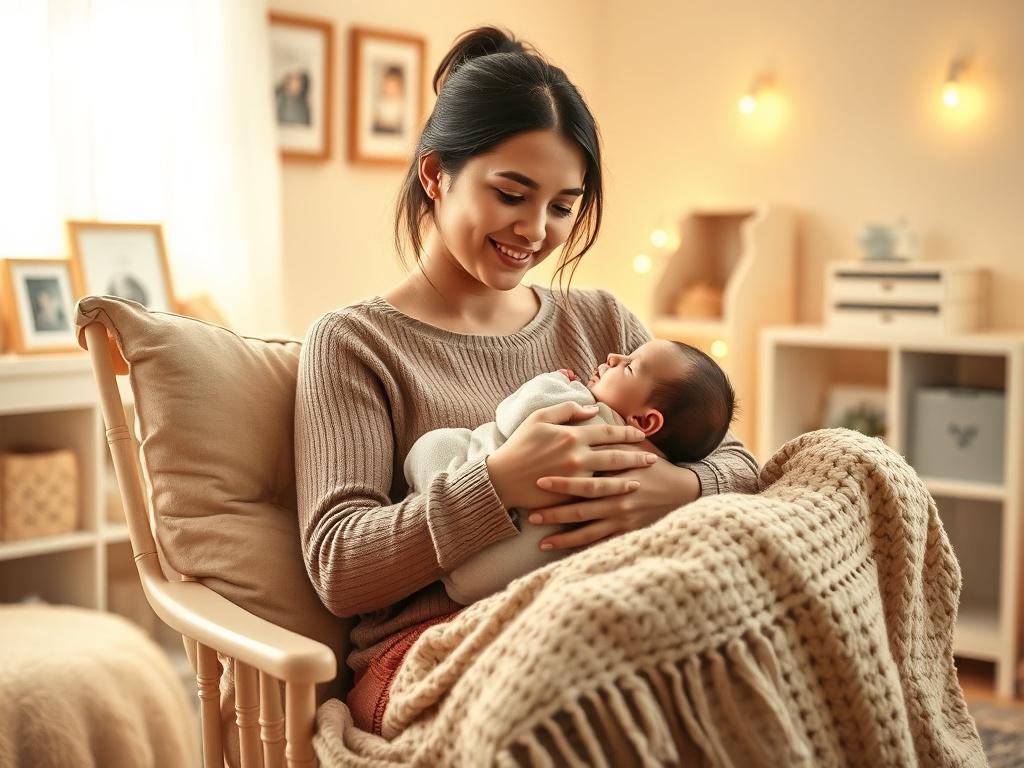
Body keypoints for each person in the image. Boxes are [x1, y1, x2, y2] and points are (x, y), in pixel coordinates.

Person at [293, 26, 758, 737]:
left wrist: (672, 489)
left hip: (593, 613)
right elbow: (340, 561)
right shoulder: (357, 344)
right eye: (512, 194)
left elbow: (738, 460)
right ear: (434, 176)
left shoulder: (600, 322)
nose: (536, 230)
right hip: (431, 651)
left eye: (563, 206)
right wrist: (498, 483)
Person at [404, 338, 736, 604]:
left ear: (645, 421)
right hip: (505, 577)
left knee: (437, 444)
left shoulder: (584, 412)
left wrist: (552, 383)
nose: (613, 357)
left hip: (480, 555)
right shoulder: (649, 462)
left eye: (630, 367)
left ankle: (436, 488)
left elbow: (512, 416)